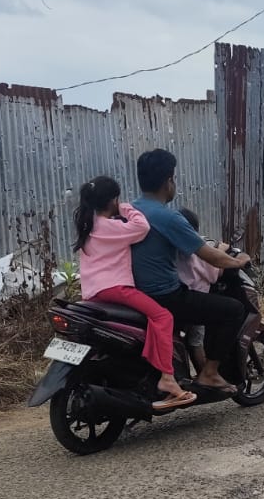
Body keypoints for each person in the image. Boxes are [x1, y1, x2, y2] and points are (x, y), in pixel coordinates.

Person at [129, 149, 251, 394]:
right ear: (168, 181)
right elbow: (209, 255)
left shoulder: (129, 211)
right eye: (173, 178)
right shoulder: (168, 218)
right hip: (165, 296)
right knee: (233, 310)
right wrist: (239, 262)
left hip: (134, 293)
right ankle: (209, 373)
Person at [71, 175, 195, 412]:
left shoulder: (89, 226)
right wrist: (127, 208)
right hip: (115, 288)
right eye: (117, 199)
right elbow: (142, 227)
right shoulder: (111, 226)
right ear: (112, 200)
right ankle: (168, 378)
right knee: (162, 317)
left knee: (145, 322)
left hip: (93, 293)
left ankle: (146, 365)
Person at [174, 207, 223, 372]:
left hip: (174, 299)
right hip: (196, 302)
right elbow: (214, 274)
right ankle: (206, 376)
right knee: (196, 340)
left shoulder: (171, 246)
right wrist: (221, 251)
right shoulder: (197, 250)